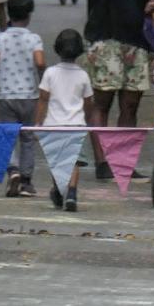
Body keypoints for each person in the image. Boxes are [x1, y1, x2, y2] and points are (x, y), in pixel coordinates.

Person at [62, 0, 154, 179]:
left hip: (136, 44)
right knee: (102, 102)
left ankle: (122, 161)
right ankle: (102, 161)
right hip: (105, 42)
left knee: (131, 104)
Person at [0, 0, 45, 198]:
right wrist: (42, 77)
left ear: (8, 14)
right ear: (29, 15)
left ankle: (13, 170)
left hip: (6, 95)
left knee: (7, 135)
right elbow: (39, 62)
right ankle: (27, 181)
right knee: (28, 138)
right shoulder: (34, 38)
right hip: (29, 95)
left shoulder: (0, 38)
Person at [35, 28, 92, 211]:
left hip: (53, 125)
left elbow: (43, 99)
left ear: (57, 49)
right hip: (76, 124)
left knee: (57, 160)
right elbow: (88, 101)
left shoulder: (50, 73)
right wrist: (88, 119)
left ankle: (58, 190)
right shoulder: (83, 75)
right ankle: (72, 193)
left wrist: (38, 122)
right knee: (74, 160)